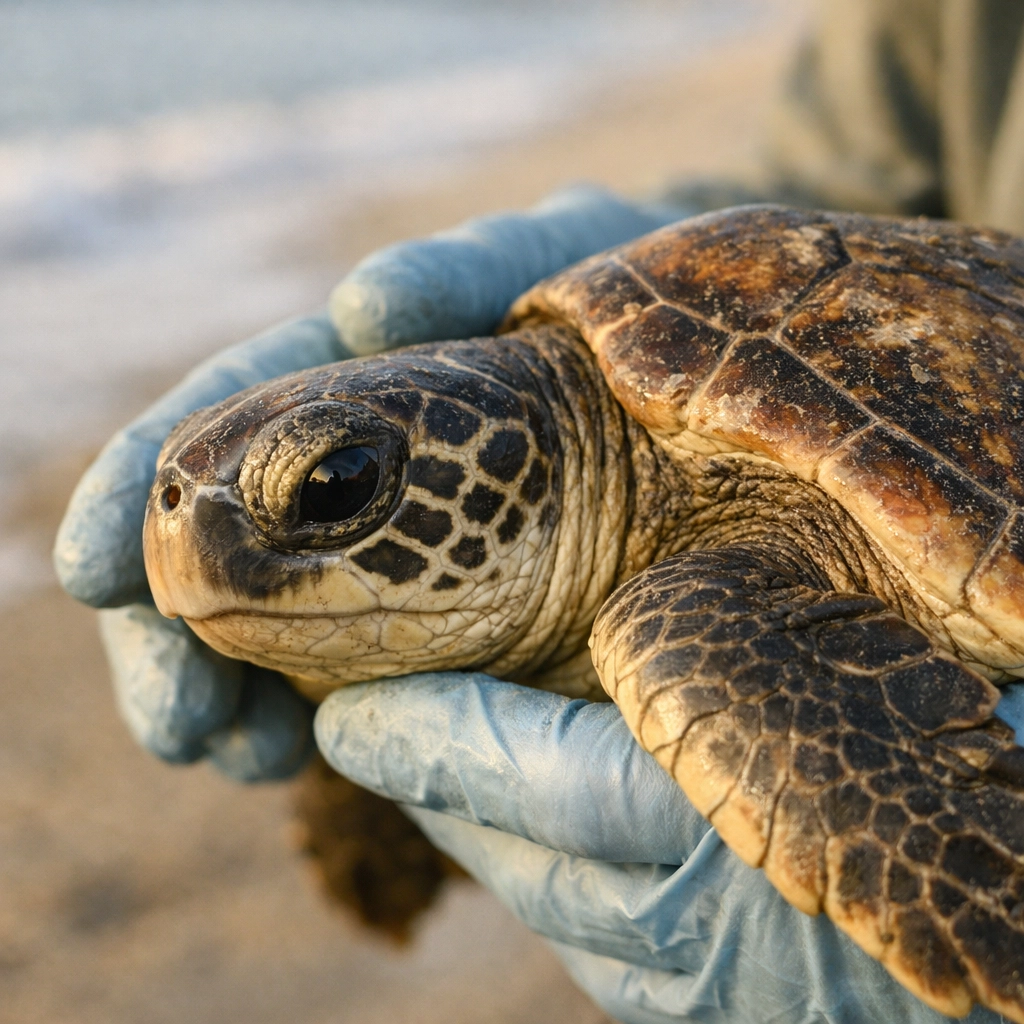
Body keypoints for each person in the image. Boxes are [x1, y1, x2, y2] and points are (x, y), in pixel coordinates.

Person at [54, 2, 1024, 1021]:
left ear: (521, 474)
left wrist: (924, 852)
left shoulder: (696, 604)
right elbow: (878, 149)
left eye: (331, 490)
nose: (189, 532)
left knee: (683, 637)